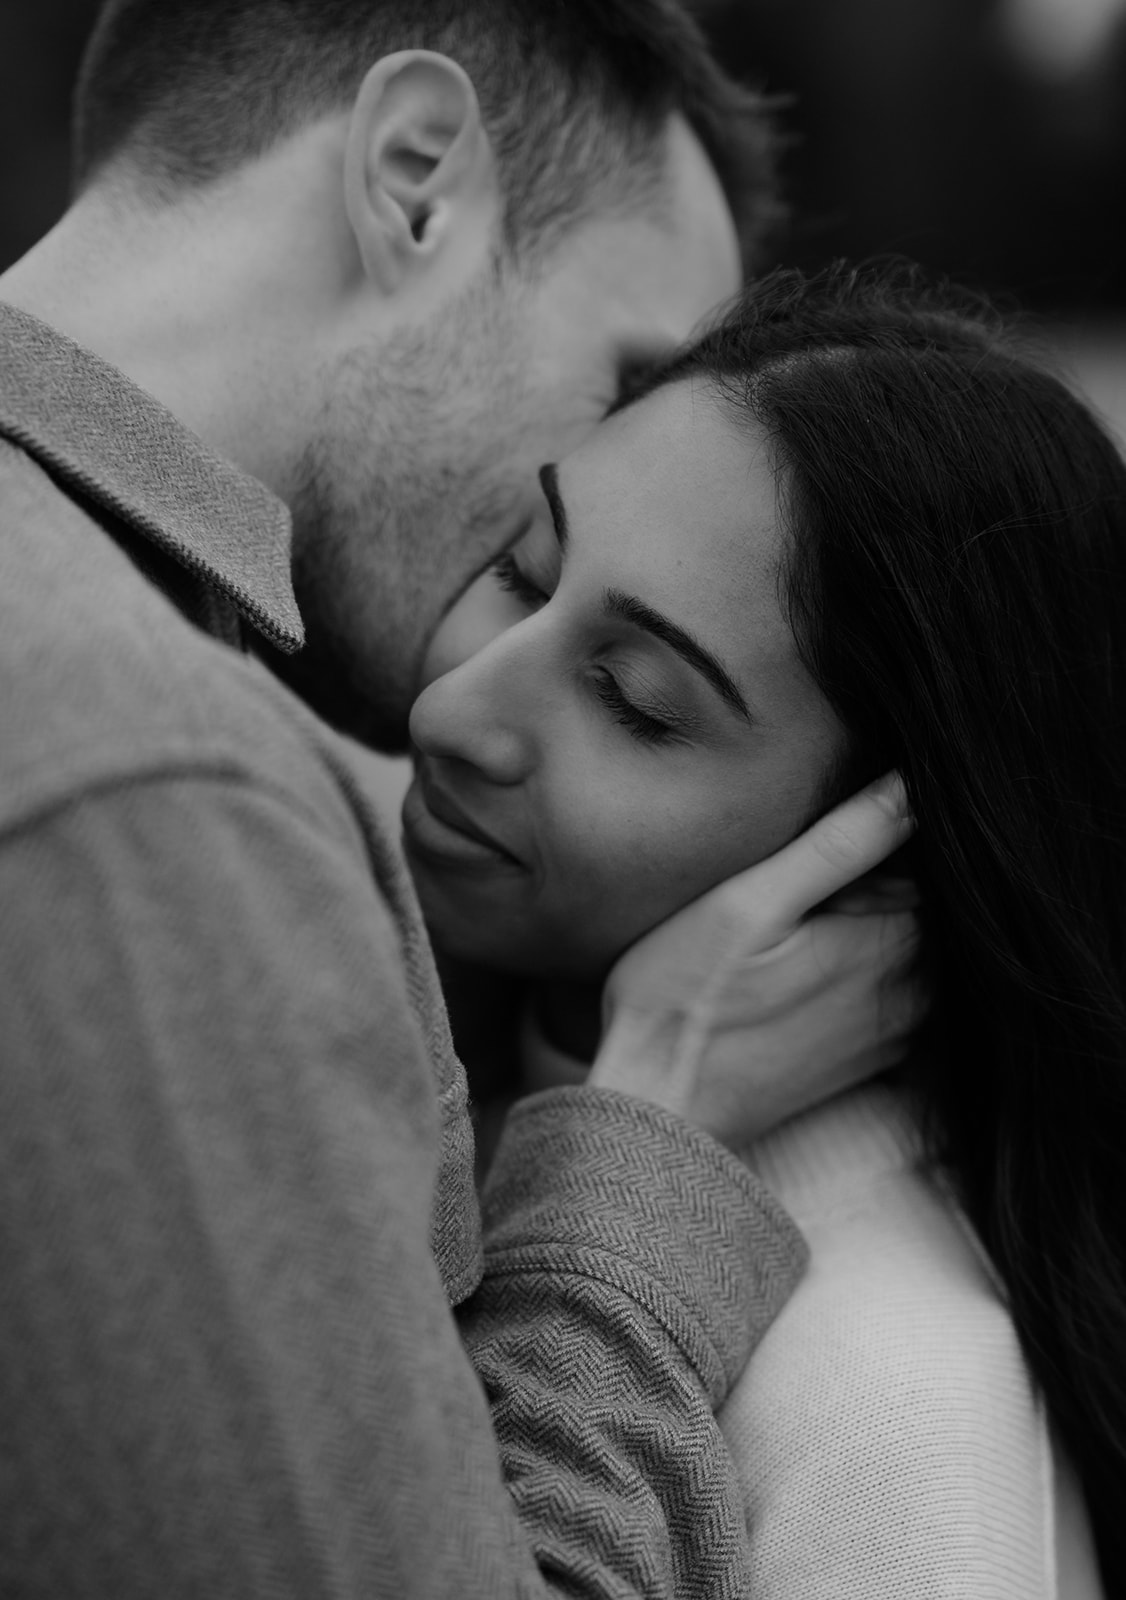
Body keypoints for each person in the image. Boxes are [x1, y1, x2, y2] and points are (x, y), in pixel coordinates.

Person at [0, 3, 920, 1595]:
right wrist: (644, 1151)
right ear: (417, 178)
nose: (632, 480)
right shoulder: (155, 786)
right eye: (625, 379)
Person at [405, 262, 1125, 1597]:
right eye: (521, 570)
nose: (454, 712)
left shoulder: (897, 1418)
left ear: (879, 859)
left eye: (631, 698)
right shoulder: (385, 1051)